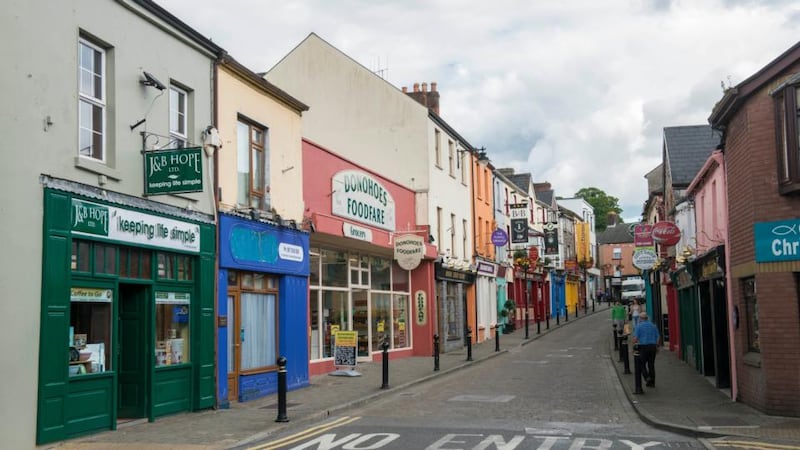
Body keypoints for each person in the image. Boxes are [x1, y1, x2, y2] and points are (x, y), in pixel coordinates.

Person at [632, 311, 660, 391]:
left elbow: (635, 338)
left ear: (640, 318)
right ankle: (652, 383)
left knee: (642, 364)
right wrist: (657, 346)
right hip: (652, 347)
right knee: (651, 365)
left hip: (643, 347)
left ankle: (647, 377)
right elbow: (658, 337)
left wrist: (633, 347)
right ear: (647, 318)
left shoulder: (639, 326)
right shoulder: (653, 326)